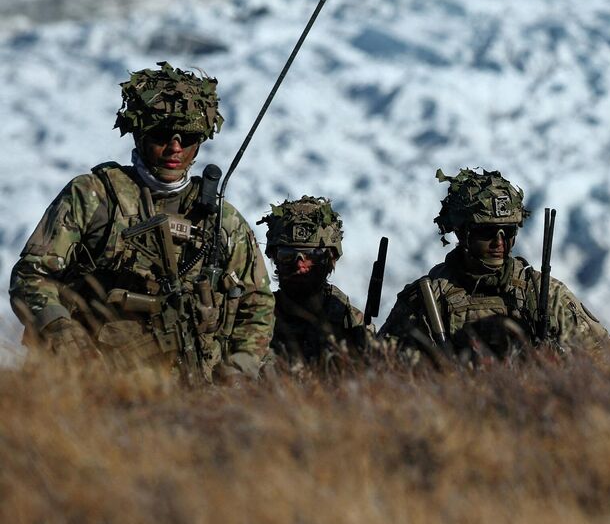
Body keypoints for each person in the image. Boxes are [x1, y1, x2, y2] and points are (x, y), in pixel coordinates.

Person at [9, 62, 273, 382]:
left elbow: (257, 303)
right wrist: (62, 331)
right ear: (140, 133)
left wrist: (240, 365)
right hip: (92, 381)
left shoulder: (221, 221)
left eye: (187, 136)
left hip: (195, 389)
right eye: (162, 134)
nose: (175, 147)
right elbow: (32, 275)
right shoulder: (95, 196)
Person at [380, 168, 610, 363]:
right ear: (462, 233)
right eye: (486, 232)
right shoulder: (427, 299)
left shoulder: (542, 293)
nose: (499, 242)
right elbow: (384, 369)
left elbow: (606, 358)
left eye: (508, 231)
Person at [260, 196, 372, 372]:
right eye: (287, 256)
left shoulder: (350, 321)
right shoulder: (255, 318)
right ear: (275, 258)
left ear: (330, 259)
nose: (299, 265)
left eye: (312, 255)